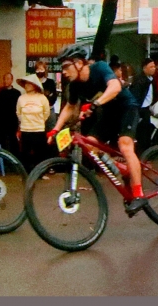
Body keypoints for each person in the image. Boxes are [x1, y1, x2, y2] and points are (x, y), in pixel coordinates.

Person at [49, 44, 147, 214]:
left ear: (79, 63)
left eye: (66, 66)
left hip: (126, 108)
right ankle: (121, 169)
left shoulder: (99, 68)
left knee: (124, 144)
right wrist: (55, 129)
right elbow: (69, 107)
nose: (63, 72)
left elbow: (115, 87)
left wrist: (95, 105)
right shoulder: (74, 85)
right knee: (90, 145)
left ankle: (139, 194)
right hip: (107, 113)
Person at [15, 73, 50, 172]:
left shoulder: (42, 98)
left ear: (34, 85)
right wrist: (24, 122)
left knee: (39, 153)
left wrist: (39, 121)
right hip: (25, 129)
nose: (26, 85)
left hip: (39, 129)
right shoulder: (21, 98)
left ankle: (40, 173)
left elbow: (46, 113)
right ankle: (26, 173)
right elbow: (18, 112)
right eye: (25, 84)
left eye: (28, 83)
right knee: (25, 153)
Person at [128, 57, 158, 151]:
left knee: (146, 131)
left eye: (154, 66)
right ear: (144, 68)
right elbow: (136, 96)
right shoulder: (139, 80)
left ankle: (146, 151)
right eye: (151, 67)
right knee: (141, 131)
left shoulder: (151, 79)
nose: (154, 68)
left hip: (147, 108)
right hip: (139, 109)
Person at [0, 73, 22, 155]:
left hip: (13, 120)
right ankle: (2, 159)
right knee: (2, 140)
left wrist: (19, 121)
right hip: (2, 120)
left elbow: (19, 108)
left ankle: (14, 159)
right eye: (4, 79)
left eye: (8, 79)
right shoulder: (0, 92)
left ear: (11, 80)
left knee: (13, 140)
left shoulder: (17, 93)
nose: (6, 81)